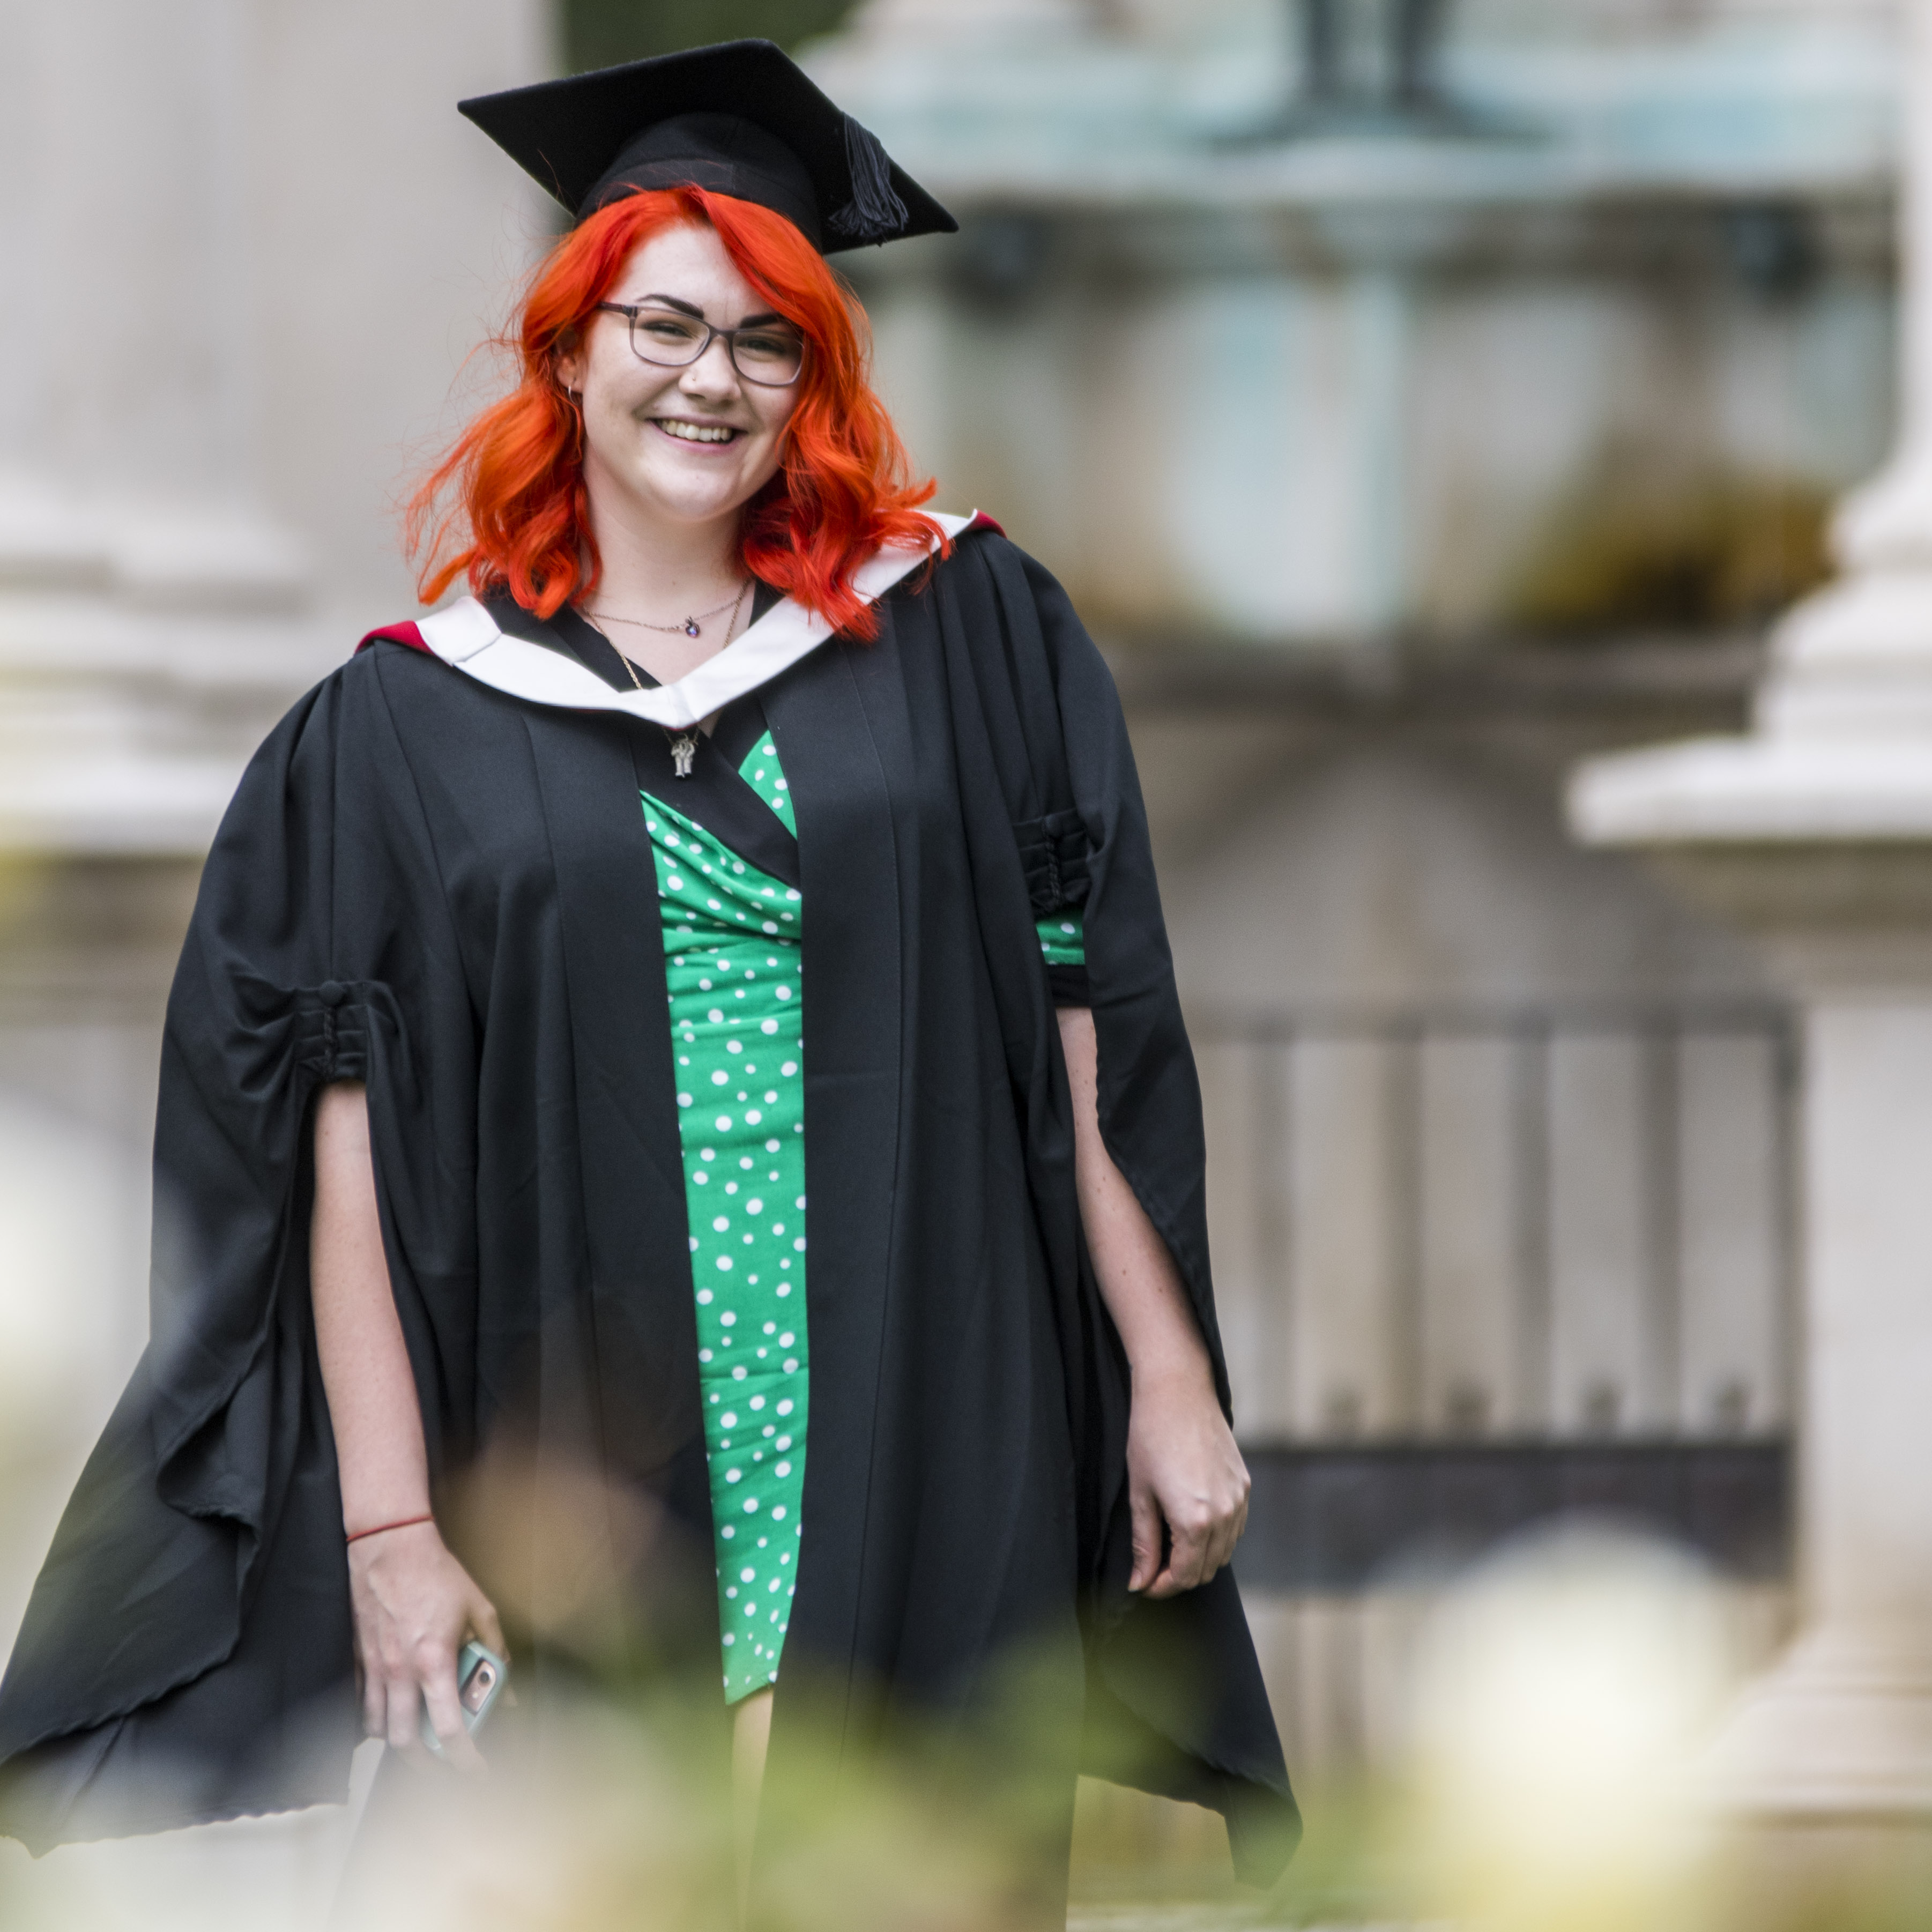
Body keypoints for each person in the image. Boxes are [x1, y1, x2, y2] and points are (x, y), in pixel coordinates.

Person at [0, 37, 1297, 1916]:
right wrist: (389, 1526)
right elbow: (334, 1141)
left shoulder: (962, 626)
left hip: (931, 1359)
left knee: (930, 1852)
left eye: (768, 339)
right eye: (665, 325)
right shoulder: (406, 720)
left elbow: (1079, 1030)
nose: (714, 377)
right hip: (581, 1388)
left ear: (815, 379)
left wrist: (1168, 1377)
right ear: (570, 347)